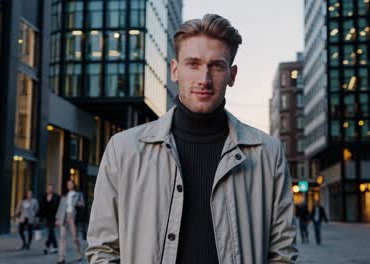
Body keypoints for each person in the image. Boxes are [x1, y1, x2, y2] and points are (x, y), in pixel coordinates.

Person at [86, 14, 298, 264]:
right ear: (175, 70)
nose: (204, 80)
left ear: (232, 74)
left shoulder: (267, 154)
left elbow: (282, 254)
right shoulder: (123, 150)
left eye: (216, 66)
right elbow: (103, 250)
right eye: (193, 64)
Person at [55, 180, 85, 264]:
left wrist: (80, 204)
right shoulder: (65, 195)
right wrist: (57, 219)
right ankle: (61, 258)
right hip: (64, 217)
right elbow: (60, 207)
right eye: (68, 184)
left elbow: (83, 205)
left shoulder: (78, 194)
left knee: (74, 238)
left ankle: (79, 253)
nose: (69, 185)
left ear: (73, 185)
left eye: (70, 184)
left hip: (72, 217)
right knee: (62, 238)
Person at [39, 184, 61, 254]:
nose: (49, 189)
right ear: (47, 189)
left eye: (51, 188)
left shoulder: (56, 197)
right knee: (51, 231)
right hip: (47, 217)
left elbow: (59, 208)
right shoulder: (43, 196)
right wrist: (40, 218)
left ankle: (47, 246)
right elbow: (41, 207)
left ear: (52, 189)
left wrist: (59, 218)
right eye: (48, 188)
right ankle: (55, 247)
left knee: (51, 230)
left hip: (54, 216)